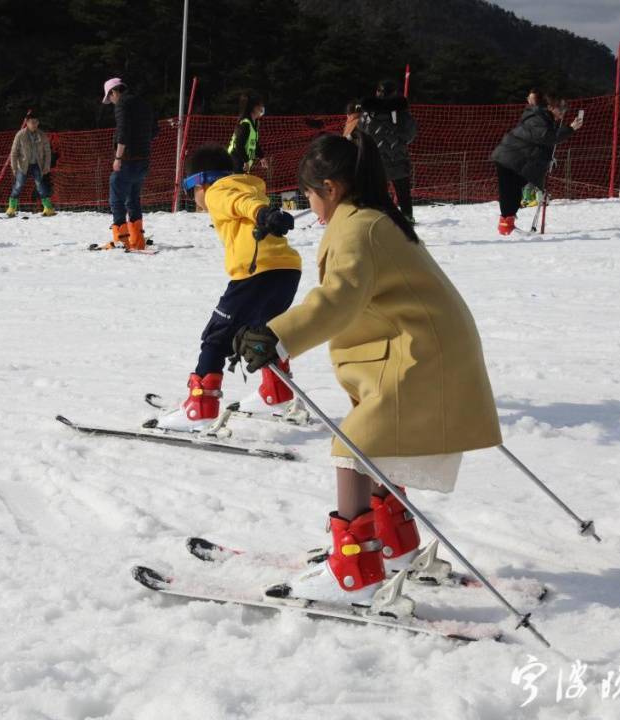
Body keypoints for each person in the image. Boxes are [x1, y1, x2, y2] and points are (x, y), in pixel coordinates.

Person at [233, 130, 502, 606]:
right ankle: (393, 547)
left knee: (354, 449)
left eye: (308, 195)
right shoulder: (372, 218)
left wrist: (277, 334)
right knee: (377, 445)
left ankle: (356, 570)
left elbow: (339, 299)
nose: (307, 206)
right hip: (418, 349)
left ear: (331, 188)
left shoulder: (358, 228)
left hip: (422, 356)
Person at [155, 144, 301, 431]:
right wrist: (266, 213)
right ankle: (276, 393)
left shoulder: (218, 190)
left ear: (202, 182)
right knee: (261, 333)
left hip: (256, 272)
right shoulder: (247, 186)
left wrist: (261, 214)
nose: (195, 198)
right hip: (286, 271)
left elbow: (239, 203)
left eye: (190, 188)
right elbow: (245, 201)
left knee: (217, 335)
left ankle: (201, 407)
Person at [490, 91, 583, 235]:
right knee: (510, 193)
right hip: (509, 158)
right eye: (561, 109)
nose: (563, 113)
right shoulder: (538, 118)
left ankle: (507, 225)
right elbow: (547, 137)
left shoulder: (544, 118)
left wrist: (548, 160)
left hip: (516, 160)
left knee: (514, 192)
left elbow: (539, 145)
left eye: (565, 110)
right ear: (551, 107)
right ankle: (505, 228)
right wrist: (570, 129)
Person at [102, 77, 158, 251]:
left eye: (109, 97)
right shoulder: (143, 103)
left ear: (113, 92)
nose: (111, 101)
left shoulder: (122, 104)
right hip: (143, 159)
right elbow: (155, 130)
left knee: (116, 198)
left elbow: (123, 132)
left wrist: (118, 158)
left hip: (127, 159)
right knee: (133, 199)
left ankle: (121, 240)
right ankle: (137, 240)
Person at [359, 80, 417, 223]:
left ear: (377, 92)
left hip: (375, 159)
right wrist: (399, 142)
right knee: (403, 191)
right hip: (397, 157)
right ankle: (407, 216)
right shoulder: (401, 111)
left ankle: (379, 217)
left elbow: (362, 132)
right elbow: (410, 133)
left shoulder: (367, 112)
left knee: (377, 191)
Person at [6, 111, 55, 218]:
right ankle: (11, 209)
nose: (34, 124)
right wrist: (14, 167)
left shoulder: (42, 135)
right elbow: (14, 152)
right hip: (23, 165)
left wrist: (46, 166)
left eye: (36, 122)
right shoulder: (20, 135)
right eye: (32, 122)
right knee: (18, 186)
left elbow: (47, 152)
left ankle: (48, 208)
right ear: (27, 123)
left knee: (40, 186)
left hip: (37, 165)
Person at [227, 93, 268, 173]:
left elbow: (254, 143)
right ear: (254, 107)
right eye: (260, 105)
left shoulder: (255, 123)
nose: (262, 108)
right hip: (234, 161)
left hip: (242, 162)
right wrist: (245, 161)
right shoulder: (245, 124)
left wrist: (262, 157)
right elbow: (238, 145)